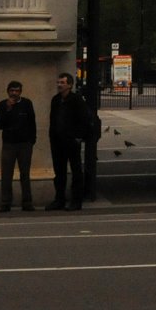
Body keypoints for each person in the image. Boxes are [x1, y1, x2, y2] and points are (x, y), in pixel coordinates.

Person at [47, 72, 92, 210]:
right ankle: (59, 199)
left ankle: (76, 200)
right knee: (59, 172)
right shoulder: (55, 100)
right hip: (57, 141)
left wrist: (78, 137)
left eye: (62, 83)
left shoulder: (77, 100)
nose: (59, 85)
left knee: (76, 171)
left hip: (71, 141)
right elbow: (53, 119)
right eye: (58, 82)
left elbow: (84, 119)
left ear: (70, 85)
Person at [0, 80, 35, 213]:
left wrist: (32, 140)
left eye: (17, 91)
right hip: (9, 143)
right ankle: (6, 202)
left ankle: (27, 202)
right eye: (12, 91)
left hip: (24, 143)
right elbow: (0, 124)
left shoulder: (27, 104)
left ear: (20, 92)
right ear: (8, 91)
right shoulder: (2, 105)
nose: (14, 93)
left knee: (25, 173)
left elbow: (32, 122)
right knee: (6, 174)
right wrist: (8, 109)